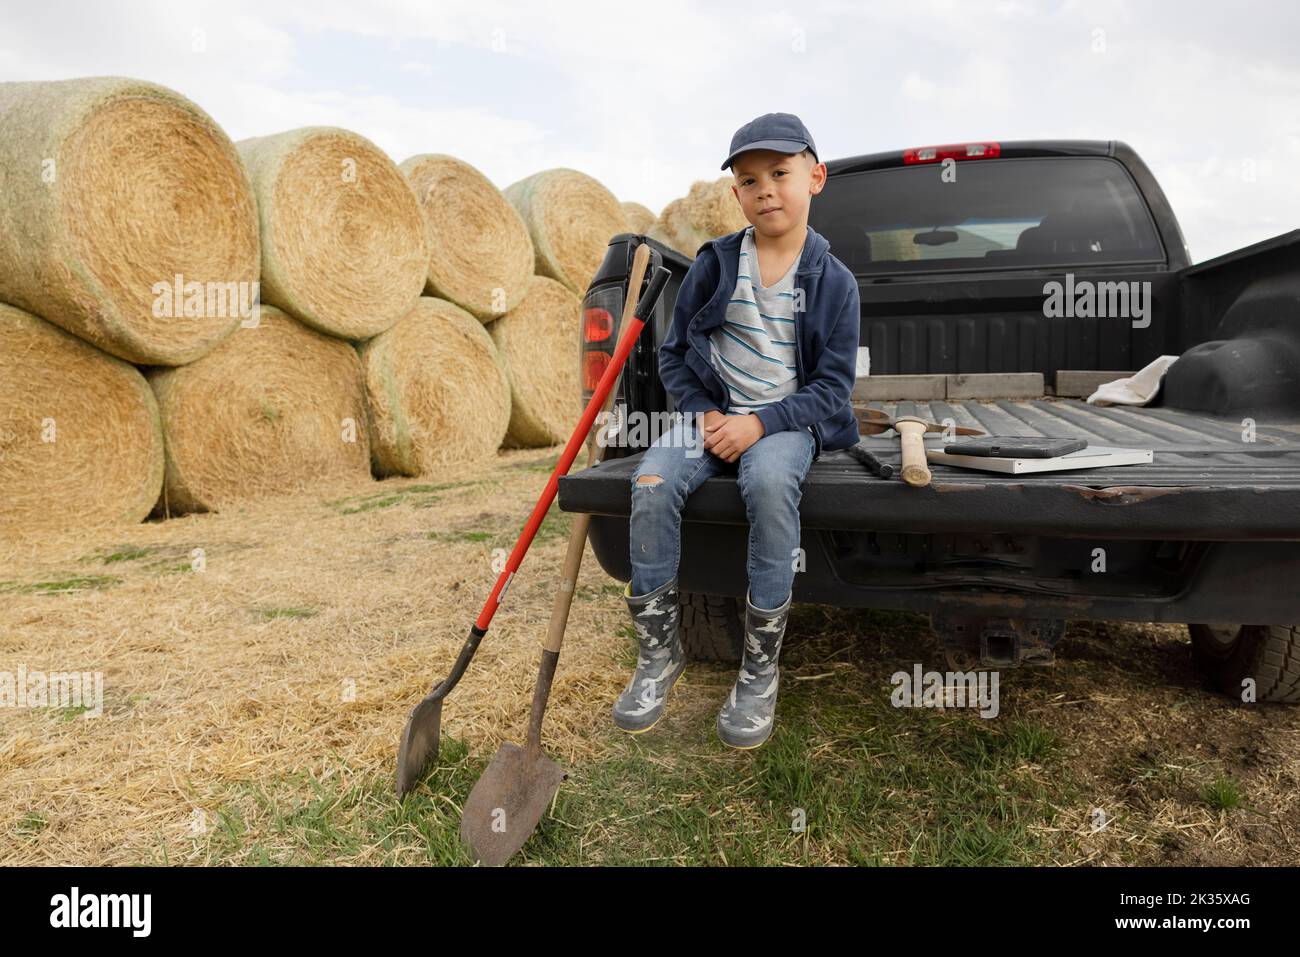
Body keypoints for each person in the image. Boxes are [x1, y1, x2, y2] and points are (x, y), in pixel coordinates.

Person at [612, 112, 862, 749]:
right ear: (736, 195)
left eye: (780, 173)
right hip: (714, 414)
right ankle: (658, 655)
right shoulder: (717, 265)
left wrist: (760, 425)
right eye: (750, 180)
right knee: (649, 481)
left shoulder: (834, 282)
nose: (766, 189)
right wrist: (705, 414)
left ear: (816, 177)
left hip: (786, 420)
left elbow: (832, 388)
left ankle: (758, 670)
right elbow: (673, 354)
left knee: (773, 486)